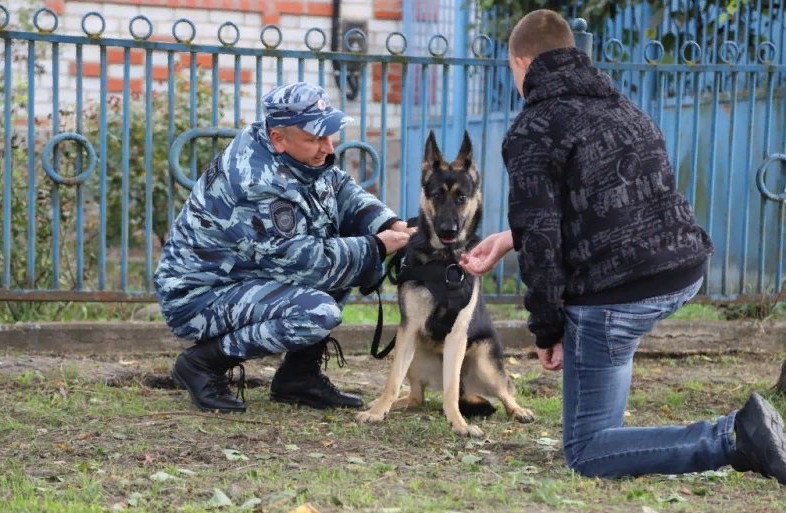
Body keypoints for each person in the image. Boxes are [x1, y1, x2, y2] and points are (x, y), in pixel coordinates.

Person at [459, 9, 786, 483]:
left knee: (589, 451)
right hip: (681, 272)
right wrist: (511, 238)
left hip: (618, 295)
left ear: (519, 63)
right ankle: (728, 430)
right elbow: (600, 205)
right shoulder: (620, 105)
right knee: (605, 383)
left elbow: (544, 244)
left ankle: (733, 436)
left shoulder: (533, 128)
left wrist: (547, 330)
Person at [154, 81, 412, 413]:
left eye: (329, 135)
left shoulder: (291, 150)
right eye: (315, 138)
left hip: (241, 274)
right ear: (278, 138)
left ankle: (298, 377)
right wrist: (376, 246)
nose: (328, 148)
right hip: (198, 295)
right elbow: (305, 262)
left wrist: (390, 225)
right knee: (316, 311)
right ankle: (202, 364)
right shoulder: (257, 182)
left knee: (346, 261)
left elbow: (341, 189)